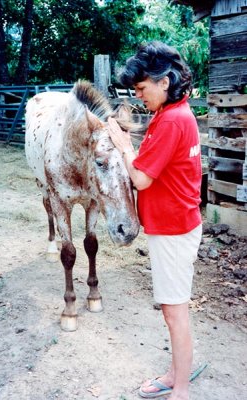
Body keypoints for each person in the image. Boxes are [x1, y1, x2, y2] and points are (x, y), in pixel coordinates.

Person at [108, 41, 202, 400]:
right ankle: (174, 373)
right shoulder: (174, 113)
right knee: (170, 308)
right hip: (178, 224)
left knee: (175, 313)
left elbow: (142, 179)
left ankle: (180, 390)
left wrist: (123, 145)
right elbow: (156, 160)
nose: (139, 96)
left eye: (142, 89)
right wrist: (136, 146)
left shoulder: (172, 119)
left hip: (173, 230)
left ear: (165, 82)